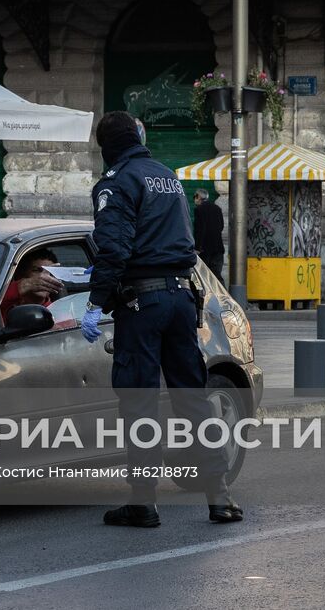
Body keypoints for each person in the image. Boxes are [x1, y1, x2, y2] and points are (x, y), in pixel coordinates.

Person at [80, 111, 243, 528]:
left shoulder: (117, 182)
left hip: (143, 304)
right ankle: (220, 497)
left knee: (140, 404)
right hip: (180, 297)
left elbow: (114, 248)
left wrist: (96, 302)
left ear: (106, 145)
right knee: (193, 399)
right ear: (138, 136)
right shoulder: (166, 176)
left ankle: (143, 501)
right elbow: (182, 240)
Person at [0, 247, 63, 321]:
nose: (44, 277)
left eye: (51, 273)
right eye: (37, 270)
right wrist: (20, 287)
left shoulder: (59, 317)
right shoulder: (4, 305)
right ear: (20, 275)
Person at [191, 188, 225, 282]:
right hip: (218, 248)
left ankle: (206, 296)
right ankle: (223, 296)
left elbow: (199, 230)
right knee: (217, 276)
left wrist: (197, 248)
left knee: (204, 277)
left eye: (195, 197)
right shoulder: (217, 208)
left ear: (198, 197)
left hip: (205, 249)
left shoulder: (199, 209)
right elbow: (221, 226)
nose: (194, 200)